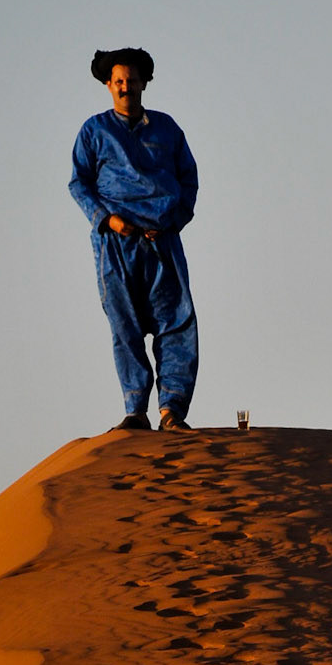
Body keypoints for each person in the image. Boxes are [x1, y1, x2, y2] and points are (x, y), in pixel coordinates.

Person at [70, 48, 199, 432]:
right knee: (123, 325)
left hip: (163, 240)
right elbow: (79, 182)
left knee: (176, 322)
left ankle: (171, 411)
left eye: (132, 80)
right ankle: (135, 410)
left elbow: (189, 180)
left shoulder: (167, 129)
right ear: (109, 85)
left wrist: (175, 219)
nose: (126, 87)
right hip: (116, 244)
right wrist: (107, 219)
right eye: (119, 81)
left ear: (144, 82)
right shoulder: (94, 131)